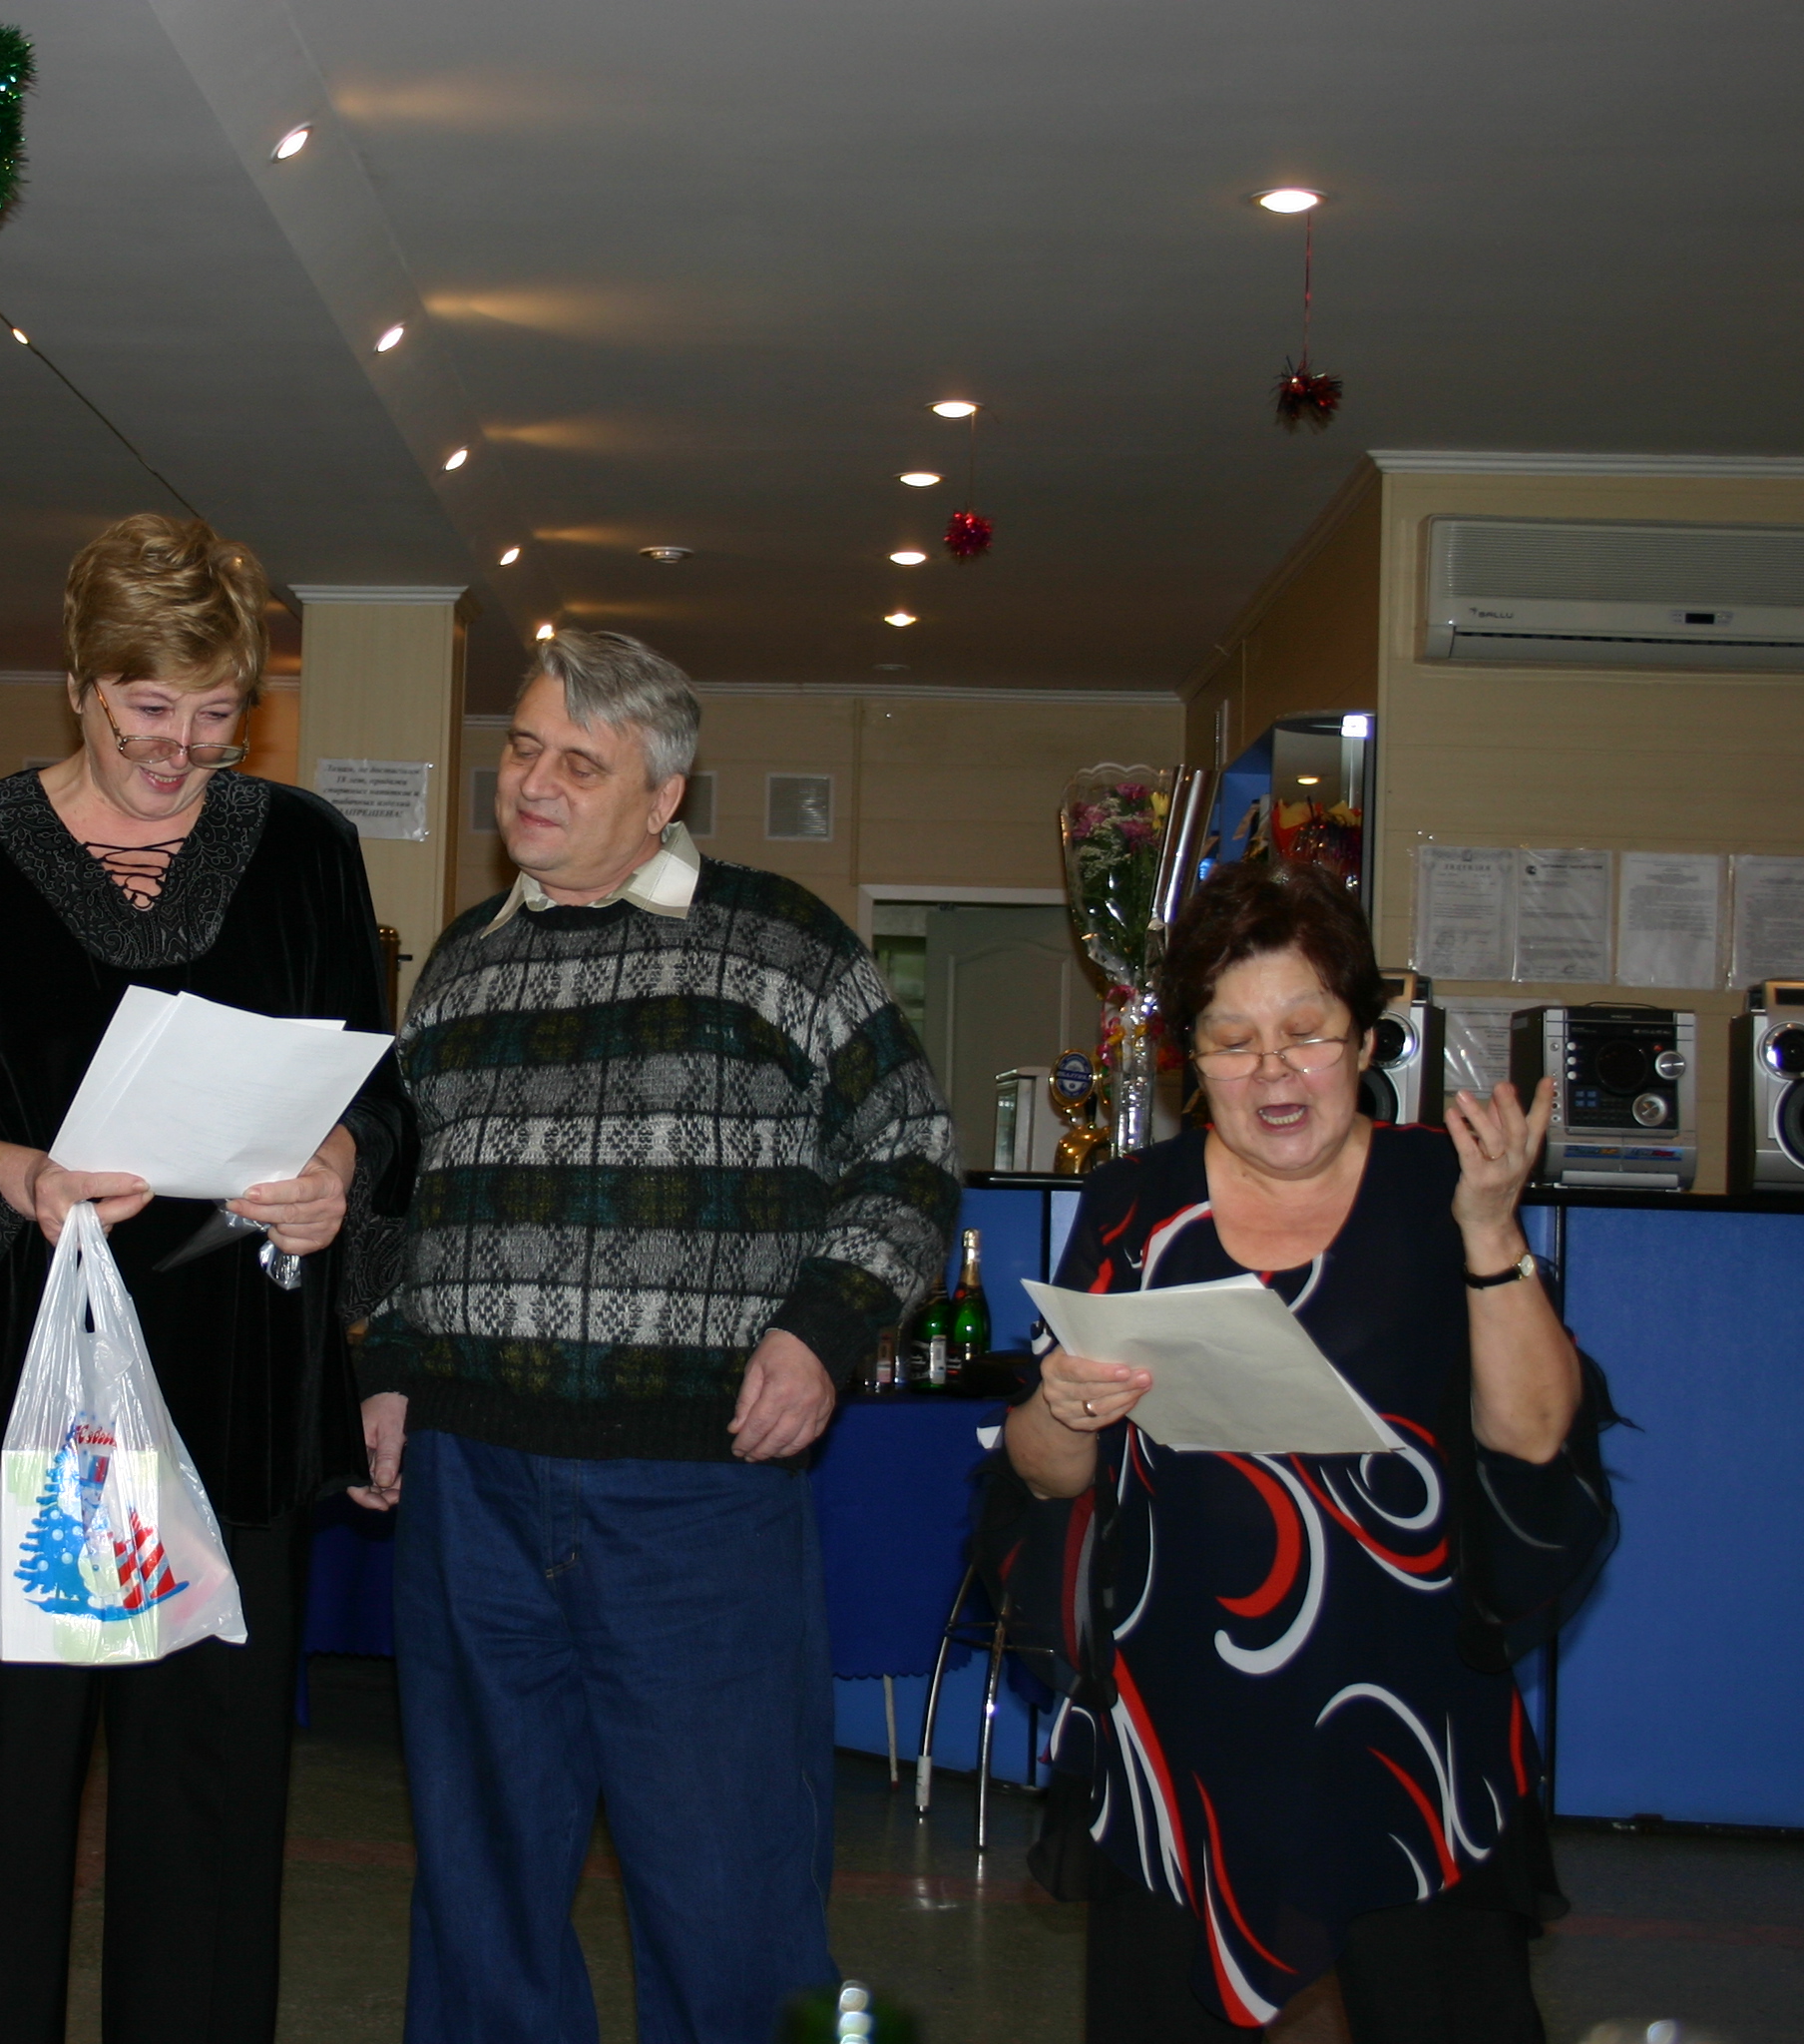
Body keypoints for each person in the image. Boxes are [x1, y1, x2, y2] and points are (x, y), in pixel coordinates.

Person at [0, 512, 411, 2044]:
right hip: (35, 1407)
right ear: (81, 683)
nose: (182, 750)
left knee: (210, 1819)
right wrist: (13, 1171)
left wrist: (340, 1168)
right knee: (3, 1808)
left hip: (232, 1400)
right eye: (150, 708)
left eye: (219, 715)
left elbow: (380, 1093)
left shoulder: (305, 852)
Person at [354, 629, 962, 2042]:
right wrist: (386, 1365)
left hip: (695, 1494)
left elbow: (911, 1153)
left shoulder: (779, 940)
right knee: (479, 1891)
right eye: (523, 747)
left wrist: (822, 1331)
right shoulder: (459, 966)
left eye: (581, 762)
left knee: (728, 1889)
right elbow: (399, 1196)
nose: (534, 781)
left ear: (664, 796)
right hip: (470, 1488)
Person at [1004, 857, 1610, 2041]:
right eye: (1232, 1041)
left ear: (1366, 1038)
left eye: (1306, 1031)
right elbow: (1042, 1471)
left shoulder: (1444, 1185)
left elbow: (1537, 1433)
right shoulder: (1134, 1204)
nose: (1273, 1069)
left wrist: (1493, 1234)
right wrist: (1063, 1407)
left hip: (1410, 1724)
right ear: (1190, 1061)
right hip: (1180, 1731)